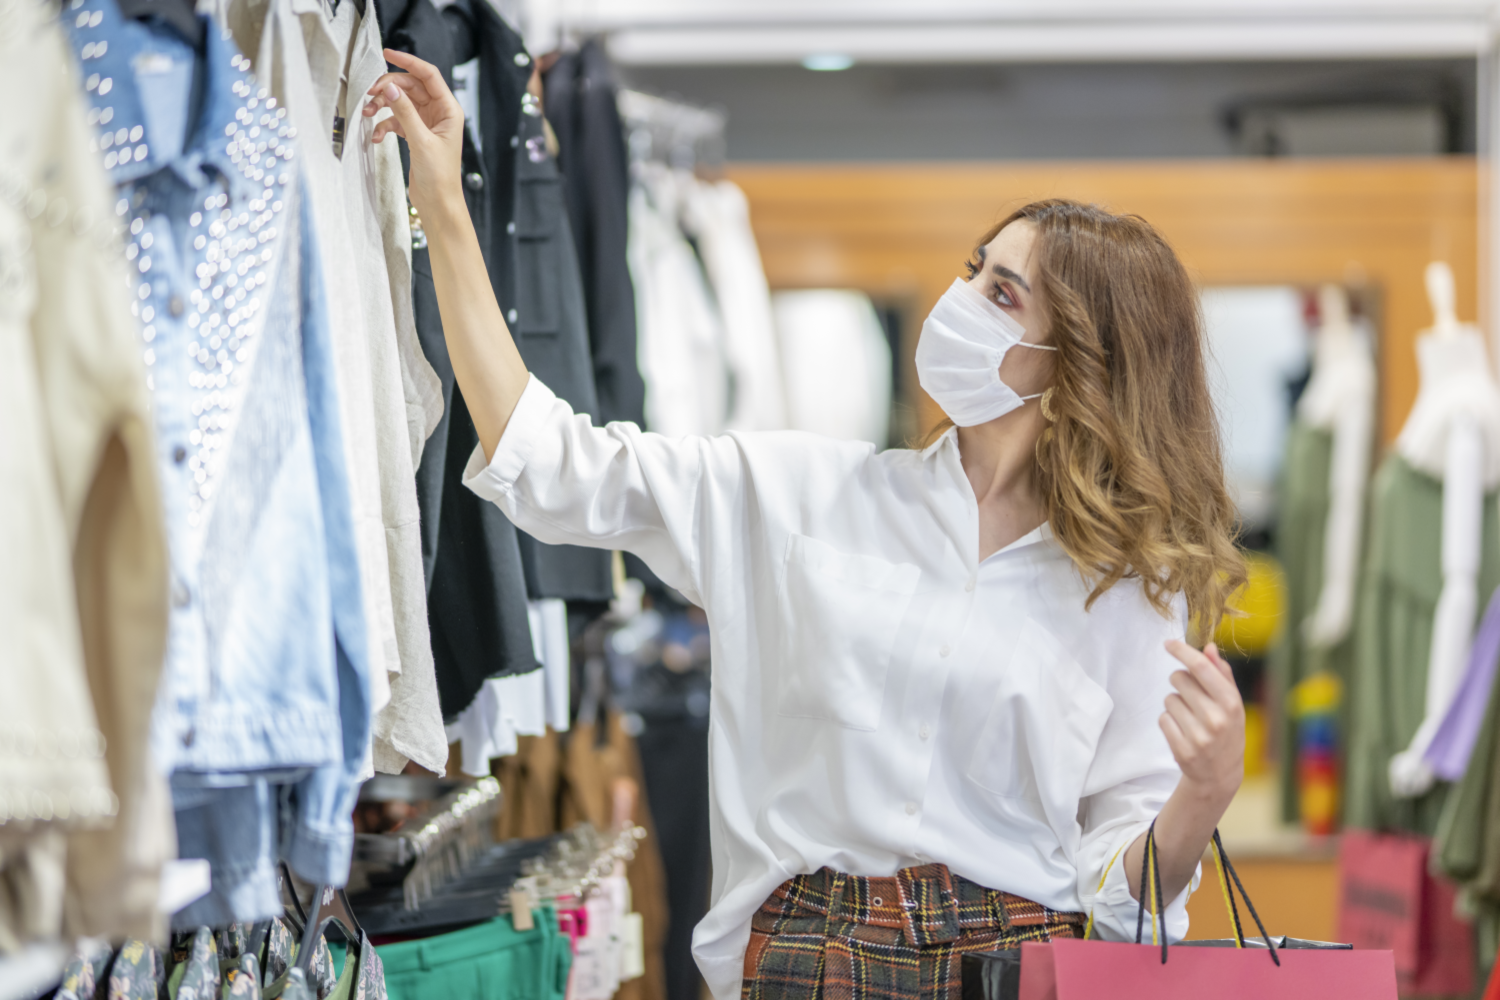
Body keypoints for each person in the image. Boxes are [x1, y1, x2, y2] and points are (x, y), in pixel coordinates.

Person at [364, 51, 1249, 1000]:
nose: (962, 301)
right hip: (810, 955)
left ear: (1077, 362)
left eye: (1002, 294)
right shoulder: (797, 490)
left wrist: (1202, 794)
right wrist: (445, 208)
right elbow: (551, 459)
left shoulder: (1129, 594)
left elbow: (1121, 893)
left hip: (1017, 960)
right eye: (974, 269)